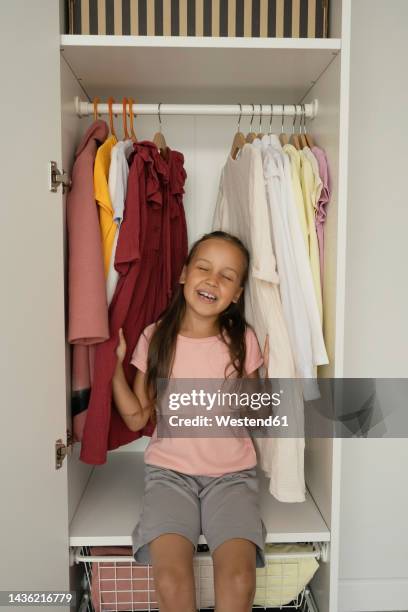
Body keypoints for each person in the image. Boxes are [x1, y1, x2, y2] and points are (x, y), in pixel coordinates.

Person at [113, 230, 269, 612]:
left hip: (231, 476)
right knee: (170, 579)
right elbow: (137, 416)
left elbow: (259, 413)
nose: (213, 280)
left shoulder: (242, 339)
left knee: (239, 579)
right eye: (203, 267)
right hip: (170, 475)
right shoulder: (155, 337)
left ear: (237, 293)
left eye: (227, 276)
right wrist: (114, 367)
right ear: (184, 274)